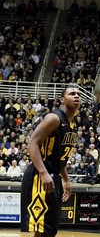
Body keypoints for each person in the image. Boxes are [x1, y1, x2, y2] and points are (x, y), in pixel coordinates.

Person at [21, 85, 80, 236]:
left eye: (78, 94)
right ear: (62, 99)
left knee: (49, 230)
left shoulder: (72, 125)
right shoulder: (54, 118)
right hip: (40, 176)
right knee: (42, 229)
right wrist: (43, 172)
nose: (76, 96)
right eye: (72, 94)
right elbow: (32, 144)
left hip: (53, 175)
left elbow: (60, 158)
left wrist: (66, 180)